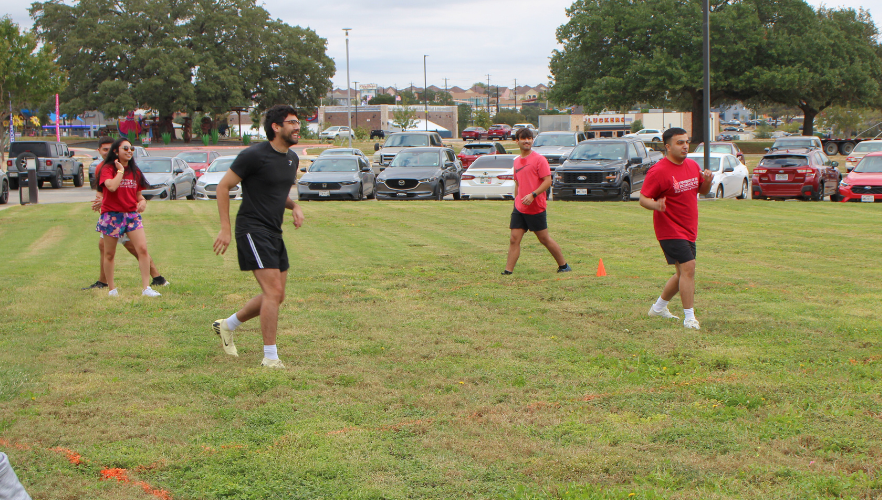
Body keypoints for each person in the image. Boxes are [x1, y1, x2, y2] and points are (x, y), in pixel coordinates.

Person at [212, 105, 304, 369]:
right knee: (273, 291)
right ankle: (270, 358)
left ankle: (227, 325)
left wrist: (294, 206)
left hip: (274, 231)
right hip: (252, 229)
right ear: (276, 127)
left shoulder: (292, 159)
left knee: (277, 295)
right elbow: (223, 186)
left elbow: (276, 193)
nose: (297, 127)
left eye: (298, 122)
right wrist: (225, 229)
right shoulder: (253, 155)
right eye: (292, 122)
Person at [639, 127, 713, 329]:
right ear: (668, 146)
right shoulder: (659, 171)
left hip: (689, 228)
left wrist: (707, 181)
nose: (685, 146)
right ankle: (690, 318)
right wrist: (656, 205)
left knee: (681, 274)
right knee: (688, 269)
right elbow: (643, 198)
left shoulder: (691, 165)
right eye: (680, 142)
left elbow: (702, 191)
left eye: (686, 141)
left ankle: (658, 308)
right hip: (669, 229)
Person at [83, 136, 168, 290]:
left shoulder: (134, 171)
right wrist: (101, 200)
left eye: (131, 149)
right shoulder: (105, 168)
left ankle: (152, 283)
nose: (129, 151)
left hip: (130, 215)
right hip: (112, 216)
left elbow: (138, 196)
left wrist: (142, 203)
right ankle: (107, 286)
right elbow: (108, 189)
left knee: (139, 249)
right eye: (126, 148)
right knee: (106, 249)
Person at [502, 126, 570, 275]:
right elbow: (518, 184)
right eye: (523, 138)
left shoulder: (539, 160)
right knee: (514, 239)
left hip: (536, 206)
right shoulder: (517, 162)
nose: (527, 141)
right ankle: (508, 272)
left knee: (544, 239)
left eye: (529, 138)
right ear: (517, 141)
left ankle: (564, 266)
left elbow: (547, 181)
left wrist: (533, 194)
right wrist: (516, 201)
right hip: (520, 208)